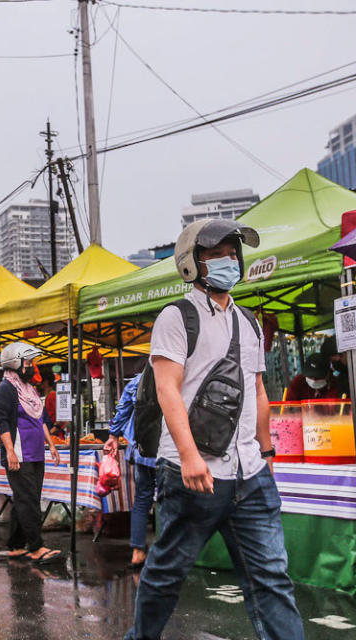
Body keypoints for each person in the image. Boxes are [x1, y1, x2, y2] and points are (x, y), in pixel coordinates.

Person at [126, 219, 304, 640]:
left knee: (272, 579)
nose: (228, 260)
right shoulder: (177, 317)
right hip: (193, 474)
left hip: (250, 474)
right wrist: (188, 456)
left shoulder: (249, 322)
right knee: (168, 572)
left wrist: (267, 452)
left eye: (232, 252)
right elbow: (167, 389)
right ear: (192, 264)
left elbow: (258, 390)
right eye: (216, 254)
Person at [0, 342, 63, 564]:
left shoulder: (29, 389)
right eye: (28, 363)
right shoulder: (5, 389)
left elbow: (39, 418)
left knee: (25, 499)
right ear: (16, 363)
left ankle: (15, 545)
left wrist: (51, 445)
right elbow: (2, 422)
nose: (32, 367)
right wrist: (10, 451)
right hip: (19, 455)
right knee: (29, 500)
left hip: (36, 454)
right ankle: (36, 547)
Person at [104, 368, 158, 570]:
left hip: (141, 450)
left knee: (142, 499)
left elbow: (122, 410)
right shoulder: (175, 376)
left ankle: (137, 551)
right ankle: (166, 553)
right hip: (166, 452)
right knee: (168, 499)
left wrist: (112, 436)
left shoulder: (136, 381)